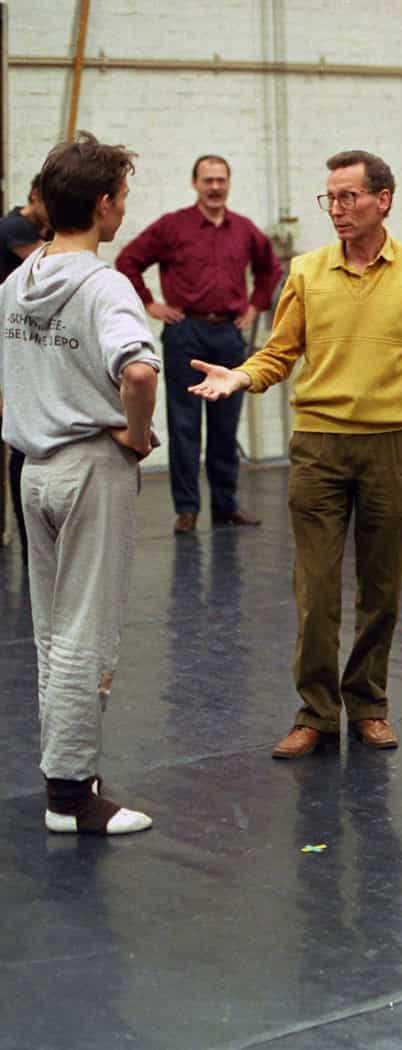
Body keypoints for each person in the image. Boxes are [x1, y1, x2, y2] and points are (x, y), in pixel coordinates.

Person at [187, 149, 402, 759]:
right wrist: (241, 376)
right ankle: (315, 712)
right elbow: (280, 353)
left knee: (382, 591)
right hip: (318, 448)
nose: (335, 209)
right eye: (329, 198)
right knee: (314, 591)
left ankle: (368, 705)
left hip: (393, 446)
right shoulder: (307, 271)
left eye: (348, 197)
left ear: (382, 200)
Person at [1, 133, 158, 833]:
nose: (123, 207)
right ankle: (69, 797)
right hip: (89, 467)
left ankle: (70, 773)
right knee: (84, 635)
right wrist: (138, 434)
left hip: (33, 471)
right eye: (121, 197)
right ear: (102, 205)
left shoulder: (17, 282)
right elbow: (139, 372)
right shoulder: (104, 286)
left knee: (52, 633)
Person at [116, 155, 282, 535]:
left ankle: (225, 506)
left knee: (225, 426)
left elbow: (270, 269)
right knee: (184, 425)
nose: (215, 187)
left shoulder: (244, 229)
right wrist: (151, 305)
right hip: (185, 333)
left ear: (229, 183)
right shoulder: (173, 226)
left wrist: (255, 307)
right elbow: (128, 260)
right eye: (208, 180)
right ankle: (187, 510)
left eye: (221, 180)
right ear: (195, 183)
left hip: (227, 335)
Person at [1, 173, 52, 558]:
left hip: (18, 341)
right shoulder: (15, 226)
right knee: (19, 437)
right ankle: (27, 537)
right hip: (12, 341)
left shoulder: (34, 229)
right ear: (34, 195)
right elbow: (52, 268)